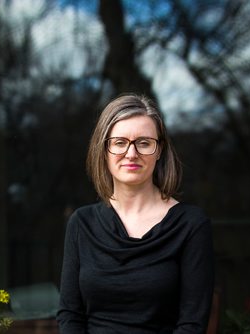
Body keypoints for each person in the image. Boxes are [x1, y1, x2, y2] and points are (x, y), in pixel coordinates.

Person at [57, 93, 214, 334]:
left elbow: (192, 324)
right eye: (120, 142)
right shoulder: (81, 223)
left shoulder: (191, 225)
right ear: (104, 149)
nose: (131, 154)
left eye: (144, 142)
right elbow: (70, 315)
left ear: (159, 150)